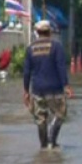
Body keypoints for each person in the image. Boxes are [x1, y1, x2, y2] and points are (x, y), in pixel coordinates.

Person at [23, 20, 73, 149]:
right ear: (50, 32)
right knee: (60, 114)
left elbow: (27, 72)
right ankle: (52, 140)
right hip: (54, 88)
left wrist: (26, 91)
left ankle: (43, 146)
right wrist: (66, 86)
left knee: (40, 119)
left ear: (37, 32)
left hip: (37, 89)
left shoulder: (30, 48)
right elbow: (61, 67)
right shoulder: (56, 46)